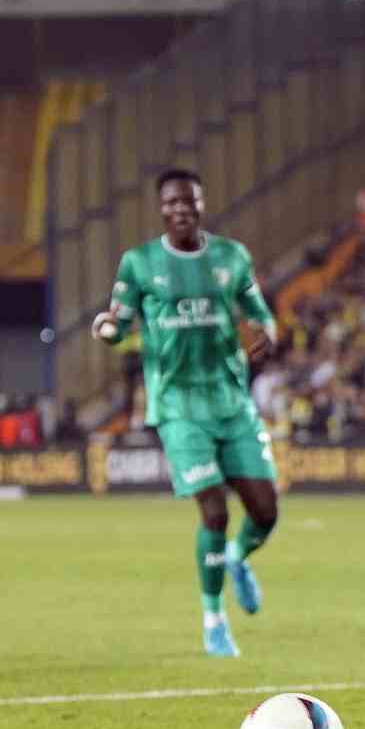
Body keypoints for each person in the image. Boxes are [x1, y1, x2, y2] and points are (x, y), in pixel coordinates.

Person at [91, 168, 281, 658]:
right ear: (161, 209)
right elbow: (120, 323)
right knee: (213, 510)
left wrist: (268, 332)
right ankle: (214, 619)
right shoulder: (139, 264)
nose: (181, 210)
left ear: (201, 204)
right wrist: (108, 330)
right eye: (172, 203)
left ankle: (238, 558)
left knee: (265, 510)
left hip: (231, 399)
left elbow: (259, 312)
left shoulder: (231, 257)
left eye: (189, 202)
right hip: (177, 405)